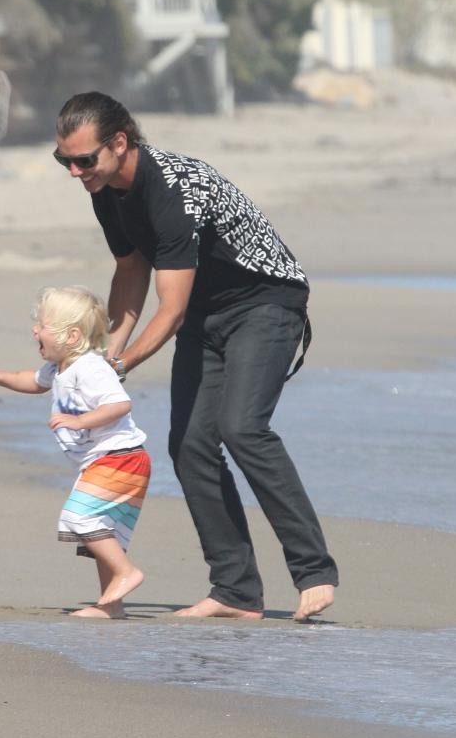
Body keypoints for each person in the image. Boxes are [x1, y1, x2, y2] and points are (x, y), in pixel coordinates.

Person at [53, 92, 339, 622]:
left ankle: (314, 570)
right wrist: (107, 350)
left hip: (266, 301)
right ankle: (235, 591)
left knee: (242, 427)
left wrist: (120, 367)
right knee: (189, 447)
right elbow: (132, 269)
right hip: (207, 312)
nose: (74, 171)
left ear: (119, 143)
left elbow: (171, 311)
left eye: (84, 160)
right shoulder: (106, 190)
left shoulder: (170, 191)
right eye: (64, 161)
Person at [0, 286, 151, 619]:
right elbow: (31, 381)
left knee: (79, 517)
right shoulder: (59, 369)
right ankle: (111, 606)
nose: (34, 330)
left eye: (42, 324)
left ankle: (127, 573)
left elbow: (119, 403)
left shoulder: (91, 368)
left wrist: (80, 420)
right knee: (104, 534)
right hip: (112, 461)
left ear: (72, 335)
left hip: (119, 458)